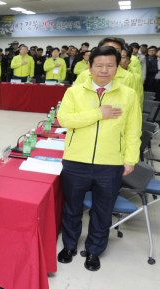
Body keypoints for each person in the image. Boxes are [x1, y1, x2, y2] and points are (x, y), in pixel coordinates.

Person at [56, 46, 141, 271]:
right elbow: (64, 119)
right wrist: (98, 113)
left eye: (110, 65)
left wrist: (130, 158)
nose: (104, 70)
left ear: (118, 66)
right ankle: (70, 245)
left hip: (110, 163)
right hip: (76, 161)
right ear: (89, 67)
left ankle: (94, 250)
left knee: (103, 211)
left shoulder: (128, 94)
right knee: (72, 207)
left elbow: (133, 130)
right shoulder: (74, 92)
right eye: (99, 65)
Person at [74, 37, 142, 103]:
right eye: (106, 49)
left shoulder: (129, 77)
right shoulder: (84, 75)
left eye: (116, 50)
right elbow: (73, 99)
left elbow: (136, 103)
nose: (110, 53)